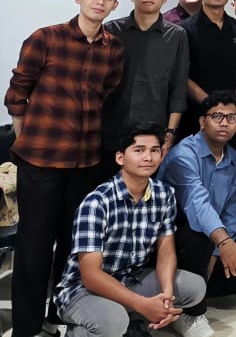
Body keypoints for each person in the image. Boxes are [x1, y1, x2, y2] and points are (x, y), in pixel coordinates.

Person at [4, 0, 127, 337]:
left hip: (85, 161)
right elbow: (17, 93)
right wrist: (26, 136)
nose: (100, 2)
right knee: (34, 245)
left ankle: (59, 315)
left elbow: (107, 94)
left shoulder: (113, 49)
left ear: (115, 4)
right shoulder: (45, 38)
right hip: (41, 159)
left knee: (73, 245)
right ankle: (27, 327)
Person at [54, 124, 210, 337]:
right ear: (120, 158)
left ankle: (130, 321)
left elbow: (166, 251)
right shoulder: (97, 202)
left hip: (130, 278)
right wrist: (143, 305)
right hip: (82, 290)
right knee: (114, 321)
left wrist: (166, 297)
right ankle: (78, 331)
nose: (148, 157)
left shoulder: (163, 194)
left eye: (154, 150)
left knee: (195, 287)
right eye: (139, 150)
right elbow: (90, 276)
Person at [160, 92, 236, 318]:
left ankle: (195, 288)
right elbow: (198, 204)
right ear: (202, 122)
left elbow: (232, 212)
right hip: (175, 235)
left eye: (231, 118)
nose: (224, 123)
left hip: (213, 237)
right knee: (198, 238)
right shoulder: (183, 155)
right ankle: (191, 313)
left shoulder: (235, 160)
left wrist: (216, 252)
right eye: (217, 116)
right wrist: (222, 242)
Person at [102, 0, 189, 173]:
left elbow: (178, 88)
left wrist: (170, 132)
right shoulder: (111, 30)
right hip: (111, 130)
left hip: (153, 132)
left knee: (146, 187)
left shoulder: (176, 35)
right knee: (109, 185)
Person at [179, 0, 236, 142]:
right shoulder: (184, 30)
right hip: (196, 114)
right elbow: (182, 76)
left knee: (231, 157)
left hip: (231, 116)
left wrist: (232, 105)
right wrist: (212, 105)